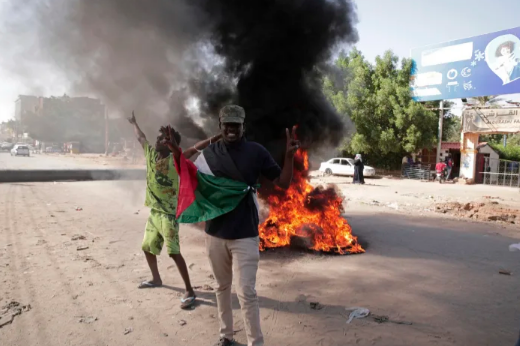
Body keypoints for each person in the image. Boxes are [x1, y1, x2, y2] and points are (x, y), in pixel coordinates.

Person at [161, 104, 299, 346]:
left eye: (236, 124)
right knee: (221, 287)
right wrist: (176, 153)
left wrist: (289, 157)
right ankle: (226, 337)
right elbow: (186, 171)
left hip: (245, 234)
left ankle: (255, 342)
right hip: (215, 234)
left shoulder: (256, 152)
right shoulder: (210, 155)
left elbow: (283, 183)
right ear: (220, 126)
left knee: (247, 292)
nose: (232, 128)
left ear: (243, 126)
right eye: (227, 124)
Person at [127, 111, 221, 309]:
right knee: (147, 248)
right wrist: (134, 122)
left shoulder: (175, 159)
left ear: (171, 144)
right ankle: (156, 279)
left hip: (169, 215)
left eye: (165, 138)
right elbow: (140, 137)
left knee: (173, 252)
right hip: (154, 213)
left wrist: (219, 136)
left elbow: (195, 148)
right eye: (161, 137)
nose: (160, 139)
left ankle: (189, 290)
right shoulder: (151, 154)